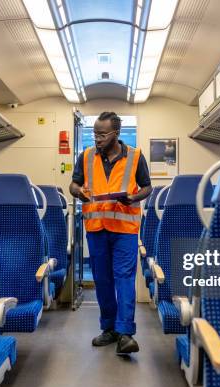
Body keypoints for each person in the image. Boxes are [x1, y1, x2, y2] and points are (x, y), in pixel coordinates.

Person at [70, 111, 152, 354]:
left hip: (124, 229)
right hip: (96, 228)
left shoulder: (136, 156)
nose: (97, 138)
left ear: (115, 134)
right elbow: (74, 184)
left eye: (102, 134)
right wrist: (79, 192)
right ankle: (109, 329)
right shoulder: (85, 156)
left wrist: (133, 197)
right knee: (102, 280)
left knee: (124, 277)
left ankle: (126, 333)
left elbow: (147, 187)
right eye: (95, 134)